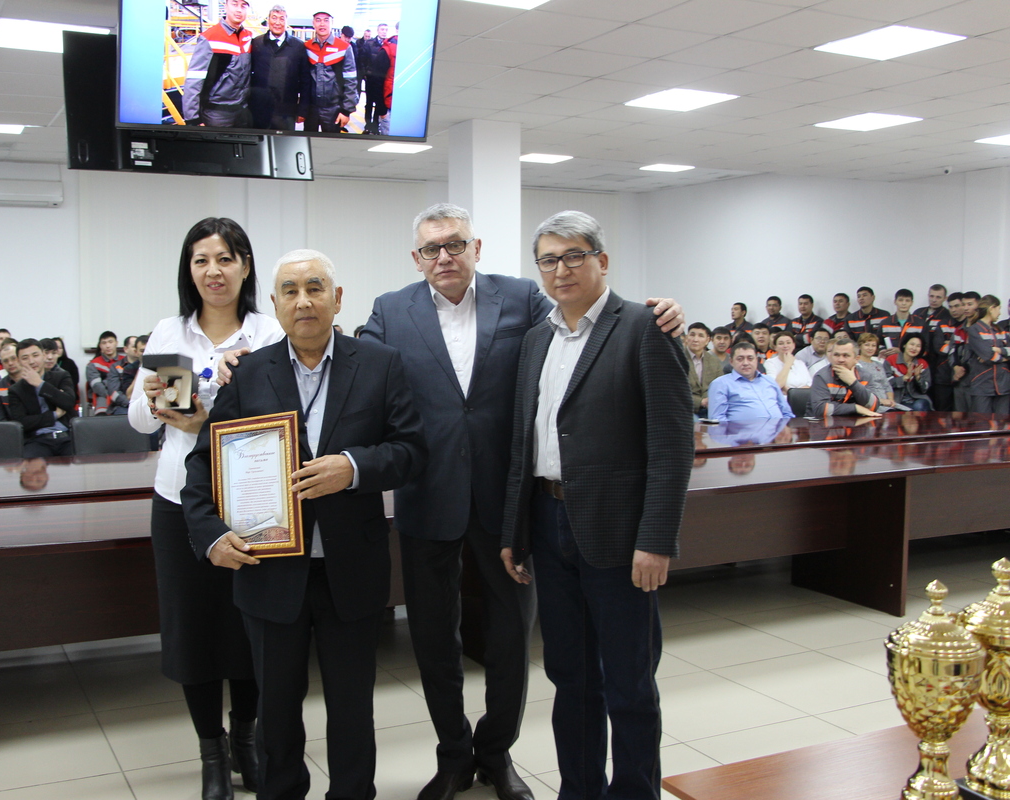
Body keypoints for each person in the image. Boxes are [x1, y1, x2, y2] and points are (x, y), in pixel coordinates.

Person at [358, 203, 683, 800]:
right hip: (431, 498)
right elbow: (356, 371)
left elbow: (593, 324)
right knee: (439, 641)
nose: (444, 256)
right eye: (431, 248)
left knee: (515, 640)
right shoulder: (390, 310)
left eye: (455, 244)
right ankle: (454, 755)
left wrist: (663, 314)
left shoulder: (524, 300)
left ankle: (497, 751)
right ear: (416, 258)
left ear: (476, 247)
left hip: (510, 505)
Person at [182, 248, 428, 800]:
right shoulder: (250, 373)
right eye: (290, 292)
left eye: (315, 288)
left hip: (351, 571)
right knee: (276, 714)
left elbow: (412, 450)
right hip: (270, 573)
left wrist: (354, 467)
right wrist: (210, 534)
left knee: (352, 709)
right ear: (274, 304)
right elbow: (203, 464)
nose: (303, 302)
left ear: (337, 299)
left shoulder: (380, 364)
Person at [499, 210, 693, 800]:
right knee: (571, 677)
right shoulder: (536, 339)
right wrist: (514, 531)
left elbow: (672, 445)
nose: (561, 269)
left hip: (620, 533)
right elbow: (524, 442)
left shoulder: (645, 328)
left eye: (574, 256)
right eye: (549, 260)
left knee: (629, 681)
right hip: (547, 522)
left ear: (602, 261)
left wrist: (655, 539)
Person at [128, 217, 283, 800]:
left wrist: (208, 421)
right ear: (188, 270)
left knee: (250, 626)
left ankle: (246, 738)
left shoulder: (269, 332)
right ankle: (211, 752)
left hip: (252, 498)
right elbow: (140, 423)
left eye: (224, 258)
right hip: (179, 502)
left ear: (245, 265)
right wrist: (150, 397)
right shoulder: (170, 332)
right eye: (201, 260)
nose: (213, 271)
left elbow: (283, 418)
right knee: (191, 629)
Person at [183, 0, 253, 128]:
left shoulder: (247, 37)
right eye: (234, 4)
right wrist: (192, 119)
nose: (239, 9)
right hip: (217, 114)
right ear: (225, 6)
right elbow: (194, 80)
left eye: (243, 6)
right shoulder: (209, 37)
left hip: (242, 111)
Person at [6, 339, 77, 458]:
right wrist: (54, 415)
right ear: (18, 361)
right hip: (37, 441)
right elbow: (22, 422)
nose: (31, 361)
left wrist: (40, 384)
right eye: (25, 358)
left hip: (67, 437)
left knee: (84, 462)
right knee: (30, 464)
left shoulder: (61, 376)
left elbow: (68, 402)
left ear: (43, 355)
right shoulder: (16, 390)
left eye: (35, 355)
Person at [250, 4, 311, 131]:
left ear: (286, 21)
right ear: (268, 20)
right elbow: (248, 75)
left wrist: (303, 109)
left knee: (285, 142)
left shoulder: (298, 46)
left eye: (282, 18)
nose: (277, 22)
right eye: (274, 18)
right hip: (259, 109)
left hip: (287, 111)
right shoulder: (256, 43)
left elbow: (305, 80)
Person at [708, 341, 794, 421]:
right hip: (742, 432)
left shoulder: (769, 381)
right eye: (740, 359)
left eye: (750, 358)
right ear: (731, 361)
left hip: (778, 430)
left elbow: (787, 413)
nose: (746, 363)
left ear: (756, 360)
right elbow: (717, 419)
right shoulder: (720, 384)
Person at [305, 11, 358, 133]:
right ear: (313, 23)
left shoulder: (344, 48)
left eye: (326, 20)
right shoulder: (307, 47)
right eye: (318, 20)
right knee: (308, 141)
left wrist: (346, 111)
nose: (322, 24)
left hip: (334, 109)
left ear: (332, 23)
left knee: (331, 142)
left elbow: (351, 81)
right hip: (311, 108)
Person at [810, 338, 880, 417]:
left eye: (846, 355)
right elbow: (820, 409)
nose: (840, 359)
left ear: (856, 359)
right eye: (836, 355)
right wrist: (855, 408)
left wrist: (853, 382)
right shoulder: (821, 377)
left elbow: (873, 406)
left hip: (858, 422)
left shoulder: (865, 376)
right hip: (825, 423)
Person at [964, 294, 1010, 414]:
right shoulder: (974, 330)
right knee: (982, 422)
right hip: (982, 384)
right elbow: (989, 356)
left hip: (1003, 385)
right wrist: (1004, 358)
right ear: (991, 308)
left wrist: (999, 350)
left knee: (1002, 422)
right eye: (999, 308)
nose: (1000, 313)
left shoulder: (1000, 329)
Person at [885, 333, 933, 411]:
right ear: (904, 345)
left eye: (918, 346)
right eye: (912, 344)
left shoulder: (922, 364)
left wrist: (918, 377)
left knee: (920, 406)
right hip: (896, 399)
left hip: (916, 399)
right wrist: (904, 377)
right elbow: (886, 383)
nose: (914, 348)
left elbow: (925, 388)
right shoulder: (891, 360)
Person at [87, 331, 129, 415]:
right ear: (100, 345)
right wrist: (114, 395)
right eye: (104, 343)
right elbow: (97, 387)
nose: (107, 346)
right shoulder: (93, 364)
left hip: (123, 395)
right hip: (103, 397)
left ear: (116, 343)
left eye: (110, 342)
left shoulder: (125, 361)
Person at [874, 289, 925, 354]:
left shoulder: (920, 324)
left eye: (907, 300)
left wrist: (901, 351)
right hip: (890, 359)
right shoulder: (885, 323)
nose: (904, 303)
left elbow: (925, 348)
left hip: (912, 360)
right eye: (900, 300)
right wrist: (883, 351)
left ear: (911, 303)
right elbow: (878, 344)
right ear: (895, 302)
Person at [856, 333, 898, 409]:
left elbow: (886, 385)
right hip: (870, 403)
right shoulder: (856, 364)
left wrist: (891, 400)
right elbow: (860, 390)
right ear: (860, 346)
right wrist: (880, 401)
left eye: (873, 345)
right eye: (867, 345)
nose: (870, 348)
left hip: (887, 402)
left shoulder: (879, 364)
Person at [686, 322, 719, 417]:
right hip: (686, 409)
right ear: (687, 338)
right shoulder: (678, 358)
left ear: (707, 340)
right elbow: (675, 390)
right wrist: (701, 401)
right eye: (692, 335)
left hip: (710, 408)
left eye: (700, 336)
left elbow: (720, 386)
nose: (695, 339)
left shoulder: (714, 361)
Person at [362, 23, 390, 133]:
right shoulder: (369, 44)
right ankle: (368, 125)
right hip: (370, 79)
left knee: (379, 103)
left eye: (386, 30)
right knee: (369, 103)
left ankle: (375, 126)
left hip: (382, 80)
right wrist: (365, 74)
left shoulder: (388, 45)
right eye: (382, 29)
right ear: (378, 31)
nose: (384, 32)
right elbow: (363, 59)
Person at [0, 339, 21, 414]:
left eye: (13, 358)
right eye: (5, 361)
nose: (10, 363)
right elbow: (0, 417)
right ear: (2, 364)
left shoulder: (34, 381)